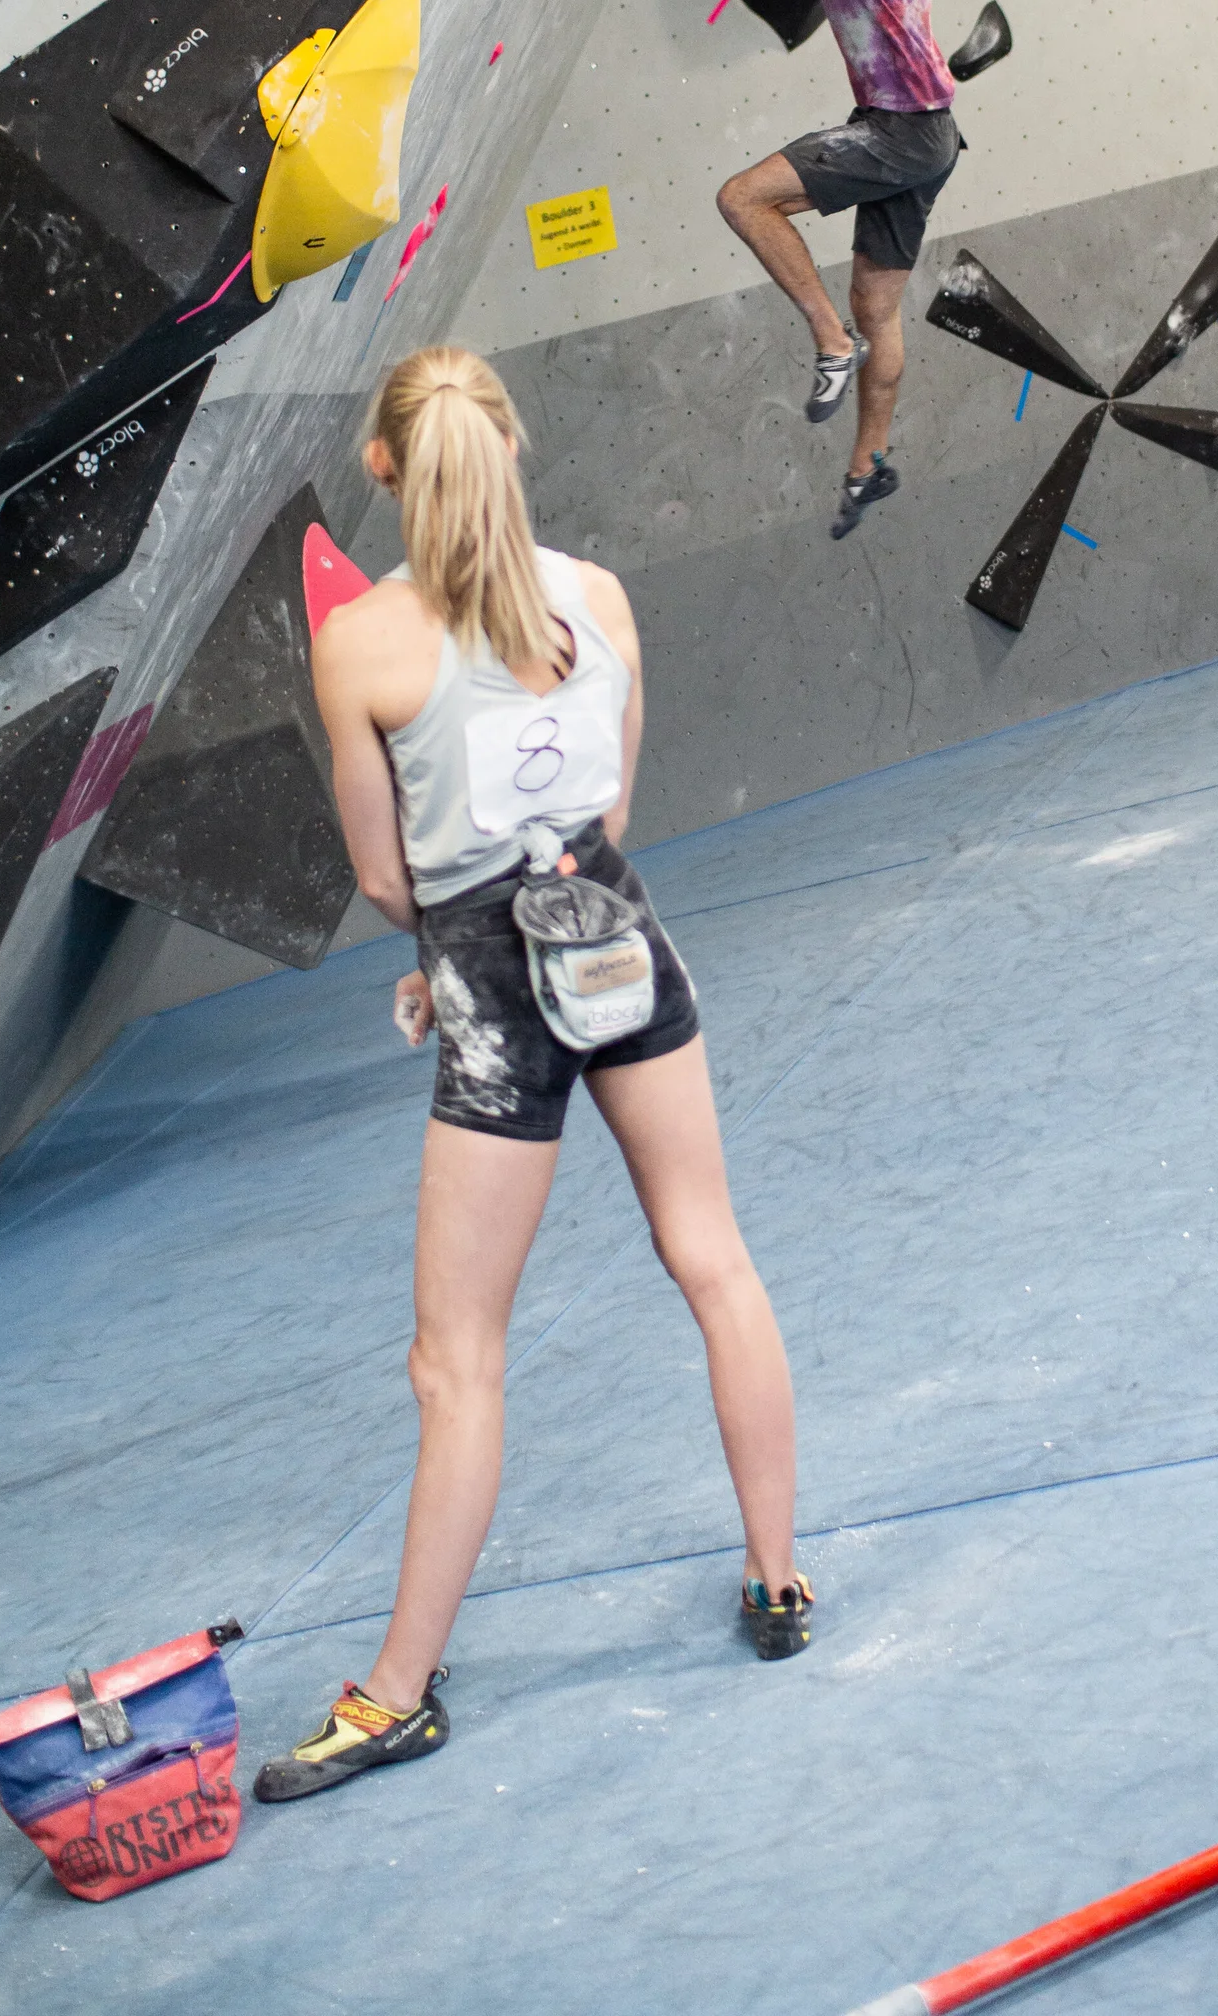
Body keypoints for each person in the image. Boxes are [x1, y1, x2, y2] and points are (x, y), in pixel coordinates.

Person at [255, 348, 809, 1806]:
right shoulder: (601, 599)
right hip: (621, 936)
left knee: (457, 1361)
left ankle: (395, 1696)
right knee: (715, 1262)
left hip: (497, 981)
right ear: (512, 444)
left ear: (384, 468)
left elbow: (387, 872)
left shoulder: (364, 645)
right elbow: (609, 804)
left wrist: (446, 951)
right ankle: (777, 1579)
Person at [670, 0, 960, 540]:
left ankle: (828, 344)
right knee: (881, 306)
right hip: (922, 132)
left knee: (744, 200)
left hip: (903, 131)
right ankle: (868, 465)